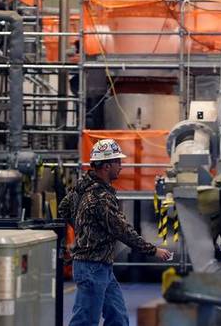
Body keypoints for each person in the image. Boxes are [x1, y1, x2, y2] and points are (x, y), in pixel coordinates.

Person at [59, 139, 172, 326]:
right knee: (85, 320)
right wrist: (153, 250)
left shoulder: (81, 188)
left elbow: (64, 209)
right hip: (91, 266)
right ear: (106, 166)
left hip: (101, 266)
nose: (121, 166)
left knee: (118, 317)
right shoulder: (100, 197)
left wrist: (84, 229)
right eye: (118, 162)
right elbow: (123, 231)